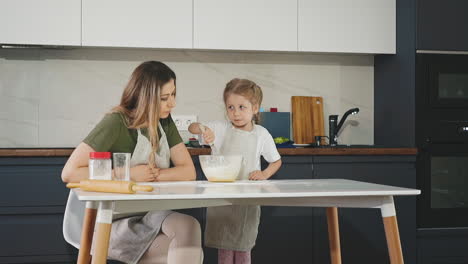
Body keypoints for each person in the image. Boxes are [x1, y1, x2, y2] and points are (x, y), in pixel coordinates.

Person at [61, 61, 203, 264]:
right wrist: (128, 174)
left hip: (149, 215)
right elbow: (70, 172)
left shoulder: (164, 121)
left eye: (173, 95)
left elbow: (188, 171)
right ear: (146, 97)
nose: (172, 103)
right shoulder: (116, 122)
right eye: (164, 98)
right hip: (110, 220)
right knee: (189, 251)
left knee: (189, 227)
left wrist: (151, 175)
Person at [188, 78, 282, 264]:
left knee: (243, 246)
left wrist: (263, 174)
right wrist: (202, 128)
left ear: (255, 108)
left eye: (242, 107)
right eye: (230, 107)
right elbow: (192, 127)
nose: (236, 113)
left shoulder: (261, 134)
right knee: (224, 246)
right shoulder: (219, 129)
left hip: (248, 199)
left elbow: (276, 161)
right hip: (223, 198)